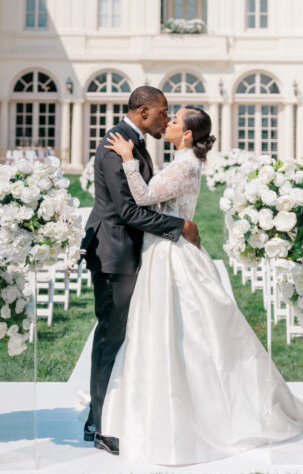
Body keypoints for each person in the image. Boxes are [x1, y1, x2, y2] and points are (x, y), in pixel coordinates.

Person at [101, 105, 303, 466]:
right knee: (172, 333)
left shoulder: (185, 164)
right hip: (165, 249)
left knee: (185, 333)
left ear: (187, 134)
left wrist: (128, 158)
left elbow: (142, 198)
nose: (168, 122)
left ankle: (203, 414)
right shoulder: (182, 162)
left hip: (172, 255)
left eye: (174, 121)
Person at [80, 86, 201, 455]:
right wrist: (179, 227)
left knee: (125, 336)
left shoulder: (134, 142)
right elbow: (128, 211)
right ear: (144, 111)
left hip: (130, 251)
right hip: (115, 253)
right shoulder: (116, 144)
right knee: (111, 335)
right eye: (164, 113)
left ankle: (109, 415)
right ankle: (99, 424)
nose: (166, 120)